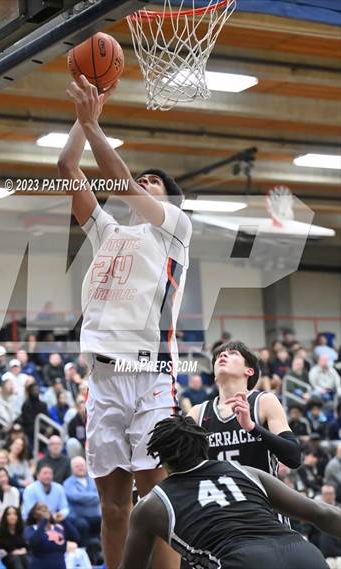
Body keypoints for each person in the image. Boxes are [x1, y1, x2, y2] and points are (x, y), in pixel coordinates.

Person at [62, 75, 191, 569]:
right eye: (146, 180)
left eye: (153, 183)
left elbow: (122, 182)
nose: (144, 185)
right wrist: (83, 115)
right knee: (114, 507)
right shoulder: (108, 230)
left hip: (151, 376)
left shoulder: (176, 230)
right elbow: (65, 166)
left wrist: (96, 124)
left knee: (156, 504)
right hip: (104, 378)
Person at [118, 416, 340, 569]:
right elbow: (321, 512)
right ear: (204, 445)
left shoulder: (152, 504)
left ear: (160, 457)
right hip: (304, 554)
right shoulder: (246, 472)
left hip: (243, 561)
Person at [189, 341, 301, 476]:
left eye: (233, 353)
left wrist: (252, 428)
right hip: (215, 495)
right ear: (214, 376)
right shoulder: (197, 413)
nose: (223, 355)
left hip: (257, 495)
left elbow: (294, 458)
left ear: (249, 370)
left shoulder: (265, 402)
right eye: (218, 356)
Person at [24, 502, 79, 569]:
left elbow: (76, 538)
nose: (44, 510)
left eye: (46, 508)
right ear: (34, 515)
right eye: (40, 509)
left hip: (59, 565)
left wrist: (64, 521)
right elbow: (33, 543)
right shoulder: (30, 529)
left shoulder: (58, 528)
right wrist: (44, 521)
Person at [63, 457, 101, 549]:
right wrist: (93, 497)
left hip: (95, 516)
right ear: (72, 469)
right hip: (77, 517)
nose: (80, 468)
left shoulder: (94, 479)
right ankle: (84, 552)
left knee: (107, 522)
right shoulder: (68, 483)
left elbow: (101, 493)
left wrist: (84, 497)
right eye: (77, 466)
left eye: (82, 465)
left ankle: (102, 552)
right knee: (82, 525)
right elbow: (75, 497)